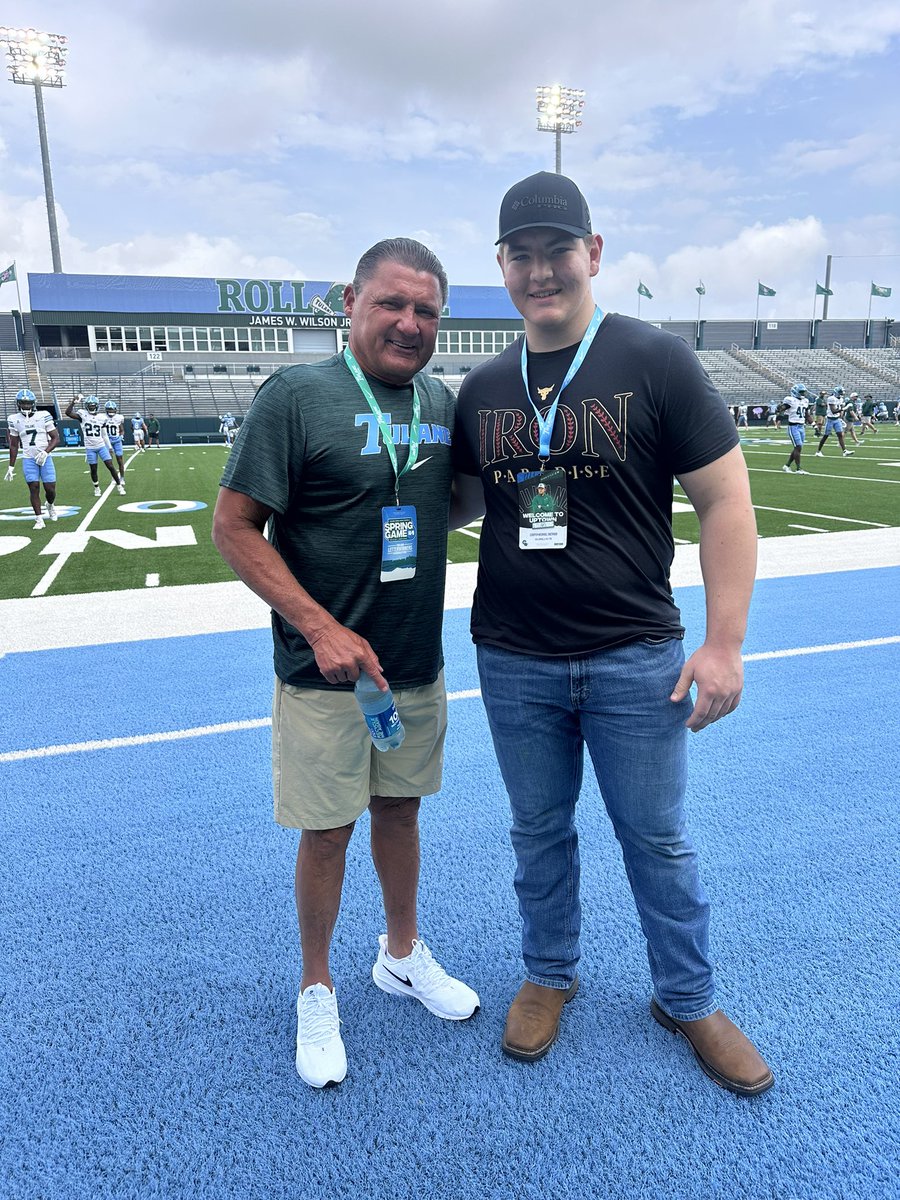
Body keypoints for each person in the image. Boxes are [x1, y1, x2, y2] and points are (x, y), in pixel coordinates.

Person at [451, 171, 773, 1097]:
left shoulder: (655, 359)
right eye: (523, 253)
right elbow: (462, 504)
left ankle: (688, 995)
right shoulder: (479, 388)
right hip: (513, 656)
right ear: (502, 266)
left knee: (658, 838)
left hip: (636, 653)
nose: (541, 269)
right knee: (537, 831)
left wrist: (725, 643)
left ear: (594, 254)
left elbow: (725, 501)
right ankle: (550, 975)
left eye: (559, 249)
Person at [211, 237, 479, 1090]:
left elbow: (451, 503)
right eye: (392, 304)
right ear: (350, 306)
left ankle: (400, 955)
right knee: (328, 832)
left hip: (412, 663)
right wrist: (319, 626)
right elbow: (231, 526)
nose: (409, 323)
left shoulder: (441, 398)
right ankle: (316, 984)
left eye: (426, 310)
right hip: (324, 671)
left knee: (400, 815)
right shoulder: (295, 395)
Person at [5, 389, 60, 529]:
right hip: (29, 458)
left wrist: (46, 452)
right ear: (18, 404)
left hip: (45, 457)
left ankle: (50, 505)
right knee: (33, 487)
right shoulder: (14, 419)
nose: (25, 406)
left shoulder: (44, 415)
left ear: (33, 403)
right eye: (23, 403)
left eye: (28, 403)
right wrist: (11, 466)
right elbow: (14, 444)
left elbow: (56, 438)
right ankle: (39, 519)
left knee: (50, 489)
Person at [64, 394, 127, 496]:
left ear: (97, 406)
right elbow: (68, 413)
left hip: (101, 446)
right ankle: (96, 488)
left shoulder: (102, 417)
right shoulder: (83, 415)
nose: (91, 407)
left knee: (110, 466)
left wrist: (109, 447)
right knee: (93, 469)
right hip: (90, 447)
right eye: (90, 405)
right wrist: (73, 402)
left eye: (93, 406)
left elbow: (104, 434)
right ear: (86, 406)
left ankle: (119, 486)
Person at [781, 383, 813, 474]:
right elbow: (784, 407)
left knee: (798, 448)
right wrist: (781, 408)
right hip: (793, 426)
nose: (803, 394)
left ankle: (787, 465)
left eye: (803, 392)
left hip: (801, 426)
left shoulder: (805, 401)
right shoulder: (790, 400)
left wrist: (814, 424)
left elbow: (806, 414)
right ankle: (798, 468)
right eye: (801, 392)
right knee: (798, 446)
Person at [815, 387, 854, 457]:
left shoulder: (841, 399)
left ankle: (844, 451)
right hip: (830, 419)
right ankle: (818, 451)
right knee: (825, 436)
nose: (842, 394)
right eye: (840, 392)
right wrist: (845, 408)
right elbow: (833, 411)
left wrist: (841, 417)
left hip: (837, 419)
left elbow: (839, 409)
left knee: (840, 435)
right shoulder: (831, 398)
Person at [103, 400, 127, 478]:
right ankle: (114, 477)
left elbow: (122, 430)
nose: (111, 411)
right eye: (109, 409)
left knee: (120, 460)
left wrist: (121, 436)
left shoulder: (119, 417)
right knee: (109, 461)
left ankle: (122, 478)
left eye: (112, 409)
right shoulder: (102, 417)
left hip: (117, 440)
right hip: (107, 441)